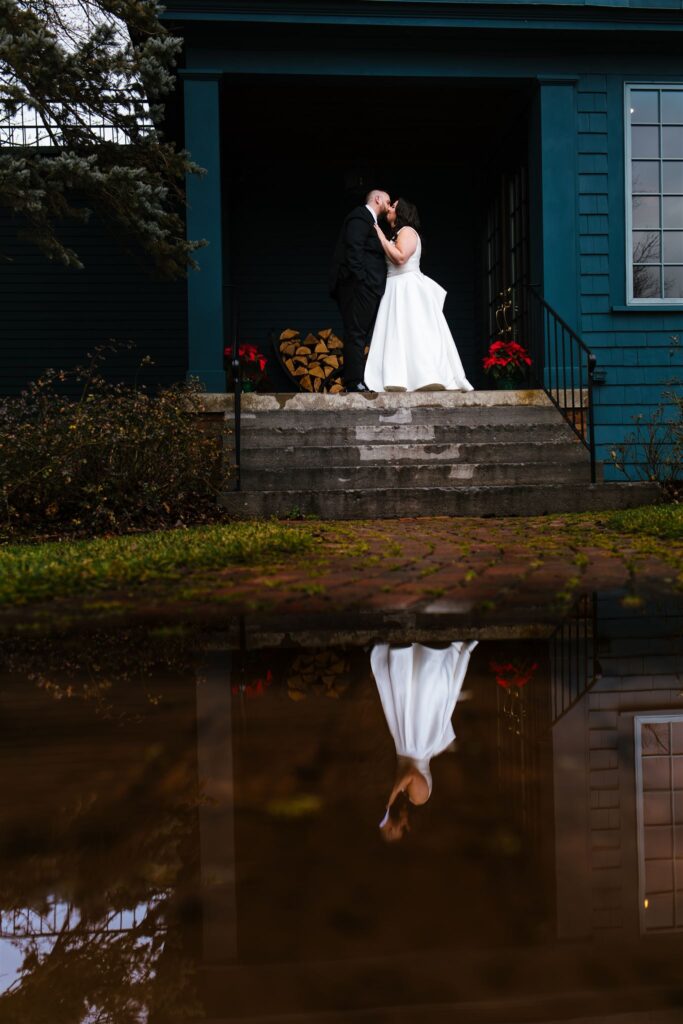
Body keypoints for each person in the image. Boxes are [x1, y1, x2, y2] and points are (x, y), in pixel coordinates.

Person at [371, 640, 478, 841]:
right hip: (418, 743)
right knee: (425, 697)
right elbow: (411, 773)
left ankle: (406, 650)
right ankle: (433, 651)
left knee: (407, 695)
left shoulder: (404, 796)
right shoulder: (419, 799)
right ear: (407, 826)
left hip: (406, 742)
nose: (392, 826)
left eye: (390, 829)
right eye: (396, 830)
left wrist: (388, 812)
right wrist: (390, 799)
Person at [364, 198, 474, 393]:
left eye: (394, 206)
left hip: (406, 288)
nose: (389, 208)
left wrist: (380, 236)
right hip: (395, 288)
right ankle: (401, 377)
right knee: (399, 335)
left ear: (402, 213)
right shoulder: (398, 233)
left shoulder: (407, 231)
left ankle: (424, 376)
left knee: (414, 333)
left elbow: (400, 257)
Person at [330, 188, 392, 392]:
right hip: (358, 287)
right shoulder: (360, 216)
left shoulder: (372, 222)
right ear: (377, 199)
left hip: (367, 288)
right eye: (387, 201)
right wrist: (363, 280)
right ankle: (354, 382)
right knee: (356, 333)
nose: (389, 205)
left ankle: (358, 379)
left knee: (361, 334)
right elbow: (353, 250)